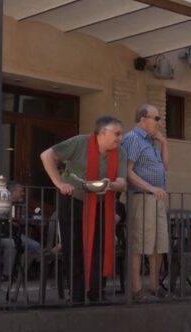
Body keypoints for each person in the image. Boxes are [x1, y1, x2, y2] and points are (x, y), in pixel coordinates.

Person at [40, 116, 128, 303]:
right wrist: (59, 183)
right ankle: (77, 295)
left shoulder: (119, 152)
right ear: (102, 132)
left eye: (121, 133)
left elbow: (122, 182)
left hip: (101, 202)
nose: (121, 137)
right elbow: (46, 155)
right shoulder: (79, 142)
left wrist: (110, 184)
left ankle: (96, 293)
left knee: (100, 246)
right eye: (117, 133)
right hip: (73, 199)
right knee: (74, 246)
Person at [123, 104, 170, 301]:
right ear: (142, 119)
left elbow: (165, 167)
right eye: (156, 118)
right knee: (140, 243)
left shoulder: (152, 141)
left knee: (159, 244)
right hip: (141, 198)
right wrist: (150, 188)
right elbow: (127, 170)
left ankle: (153, 285)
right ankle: (135, 289)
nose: (159, 122)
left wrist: (164, 144)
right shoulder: (133, 138)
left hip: (157, 198)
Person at [0, 182, 43, 283]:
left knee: (35, 245)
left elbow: (29, 217)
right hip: (1, 235)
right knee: (12, 245)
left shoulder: (21, 204)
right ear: (13, 192)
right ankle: (6, 275)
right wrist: (1, 218)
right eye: (21, 191)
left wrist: (32, 218)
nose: (23, 194)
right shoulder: (2, 201)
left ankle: (21, 273)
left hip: (16, 235)